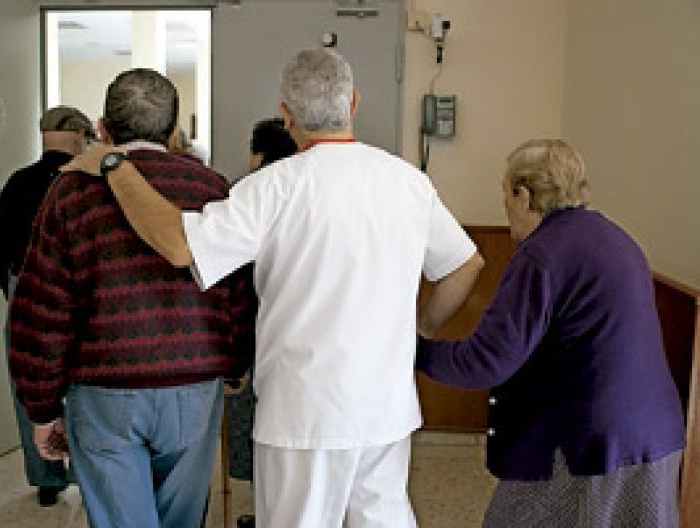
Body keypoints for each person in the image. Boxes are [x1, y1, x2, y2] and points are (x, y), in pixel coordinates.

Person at [62, 48, 484, 528]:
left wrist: (115, 165)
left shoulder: (273, 187)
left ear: (286, 115)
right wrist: (417, 331)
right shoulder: (407, 182)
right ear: (354, 103)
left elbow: (180, 246)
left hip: (302, 412)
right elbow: (466, 266)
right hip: (384, 410)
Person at [8, 68, 257, 528]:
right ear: (175, 130)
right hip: (193, 384)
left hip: (106, 392)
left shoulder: (70, 191)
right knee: (182, 519)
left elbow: (42, 309)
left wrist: (41, 408)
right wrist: (236, 363)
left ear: (102, 128)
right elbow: (239, 291)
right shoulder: (211, 189)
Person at [417, 139, 686, 527]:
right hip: (655, 434)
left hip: (590, 443)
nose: (505, 208)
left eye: (506, 195)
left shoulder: (542, 255)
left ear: (523, 195)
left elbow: (486, 361)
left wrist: (413, 350)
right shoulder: (617, 238)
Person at [0, 104, 94, 506]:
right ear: (79, 138)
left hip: (24, 289)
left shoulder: (16, 184)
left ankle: (47, 478)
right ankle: (88, 474)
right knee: (84, 385)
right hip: (82, 292)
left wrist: (16, 293)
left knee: (29, 386)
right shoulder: (85, 183)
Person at [222, 117, 297, 528]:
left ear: (257, 154)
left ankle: (263, 511)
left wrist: (232, 357)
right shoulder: (311, 191)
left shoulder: (245, 194)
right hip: (297, 330)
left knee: (252, 425)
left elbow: (230, 279)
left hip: (250, 326)